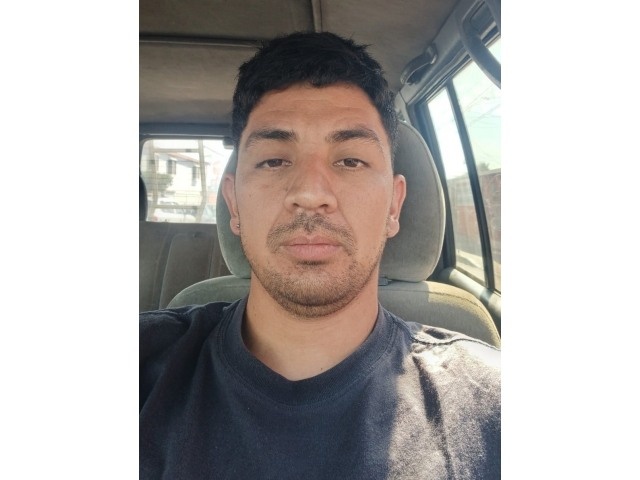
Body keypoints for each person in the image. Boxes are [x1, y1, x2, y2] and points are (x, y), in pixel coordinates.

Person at [140, 31, 500, 479]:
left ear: (394, 206)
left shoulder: (489, 405)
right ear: (233, 204)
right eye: (274, 160)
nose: (310, 194)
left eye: (350, 160)